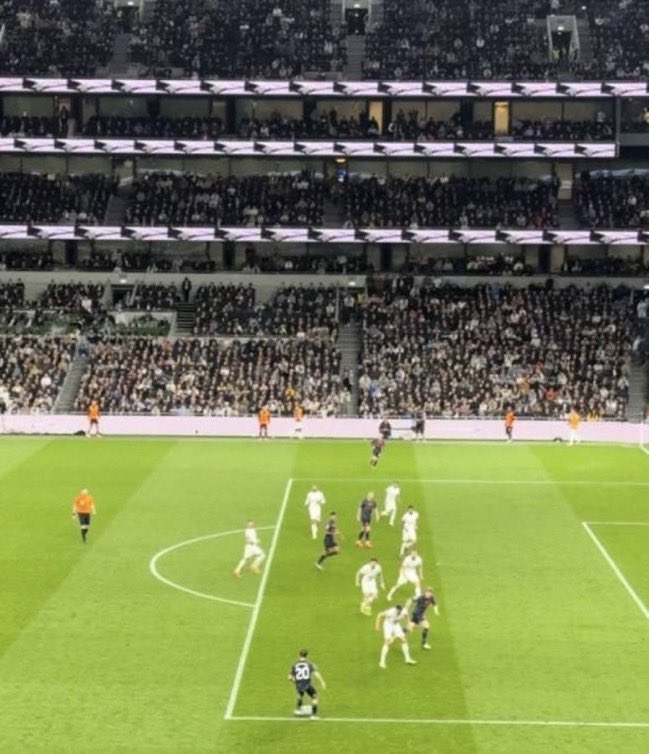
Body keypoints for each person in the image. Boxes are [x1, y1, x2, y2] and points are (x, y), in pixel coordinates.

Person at [289, 649, 326, 718]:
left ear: (299, 655)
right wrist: (322, 682)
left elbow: (289, 677)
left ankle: (298, 710)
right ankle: (313, 715)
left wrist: (296, 681)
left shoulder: (294, 664)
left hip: (299, 684)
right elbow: (316, 674)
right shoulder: (310, 664)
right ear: (307, 655)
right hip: (307, 684)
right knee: (314, 697)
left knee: (300, 695)